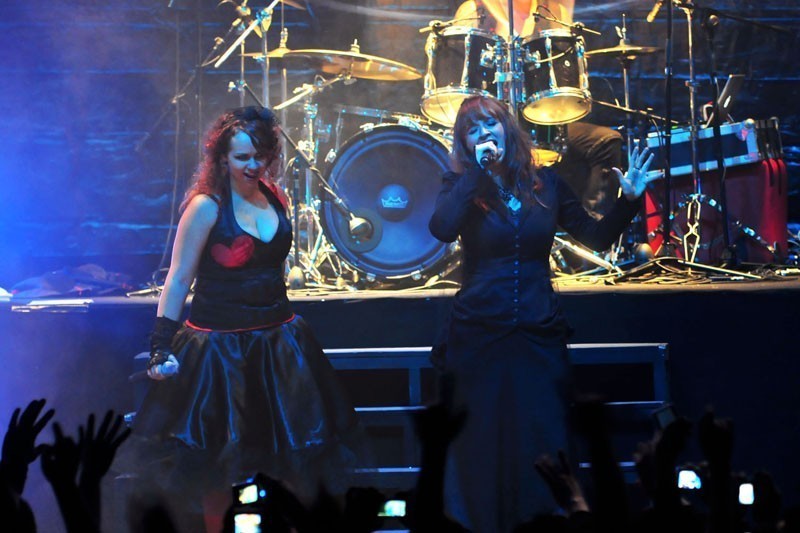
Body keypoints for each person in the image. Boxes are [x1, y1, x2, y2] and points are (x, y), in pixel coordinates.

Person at [122, 106, 362, 531]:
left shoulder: (275, 197)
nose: (253, 165)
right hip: (220, 351)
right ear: (222, 159)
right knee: (217, 468)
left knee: (292, 463)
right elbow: (178, 278)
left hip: (278, 345)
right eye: (242, 157)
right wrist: (160, 344)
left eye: (260, 156)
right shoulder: (205, 207)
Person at [428, 95, 654, 532]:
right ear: (464, 143)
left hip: (537, 329)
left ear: (507, 129)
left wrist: (629, 202)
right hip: (478, 333)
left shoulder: (545, 184)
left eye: (490, 124)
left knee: (545, 434)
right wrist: (476, 174)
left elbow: (595, 236)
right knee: (479, 441)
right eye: (472, 130)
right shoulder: (459, 185)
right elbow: (441, 228)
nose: (484, 134)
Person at [454, 0, 624, 218]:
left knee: (606, 141)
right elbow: (460, 73)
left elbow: (564, 68)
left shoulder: (553, 11)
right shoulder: (474, 9)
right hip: (493, 125)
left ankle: (590, 228)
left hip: (543, 120)